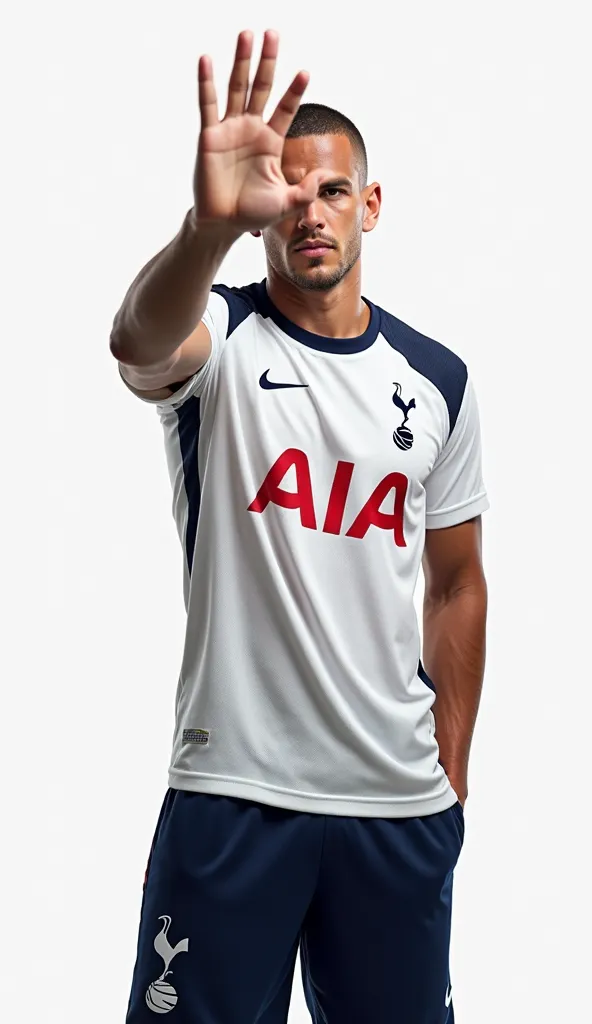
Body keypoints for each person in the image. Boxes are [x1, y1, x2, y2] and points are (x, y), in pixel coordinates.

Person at [111, 28, 489, 1024]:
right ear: (263, 211)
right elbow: (135, 339)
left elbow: (456, 581)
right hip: (235, 791)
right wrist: (204, 229)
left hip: (394, 809)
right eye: (287, 193)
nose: (308, 212)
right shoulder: (224, 338)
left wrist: (447, 777)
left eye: (330, 191)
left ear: (368, 206)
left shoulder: (437, 381)